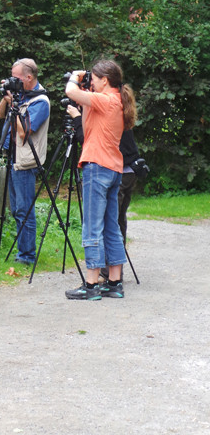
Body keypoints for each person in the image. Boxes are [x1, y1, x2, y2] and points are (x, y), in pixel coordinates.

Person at [64, 59, 137, 300]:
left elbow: (70, 91)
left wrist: (75, 77)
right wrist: (85, 92)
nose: (90, 81)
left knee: (92, 226)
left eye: (94, 78)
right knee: (111, 227)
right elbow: (87, 126)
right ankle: (114, 282)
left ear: (104, 80)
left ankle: (92, 284)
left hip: (97, 167)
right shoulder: (114, 100)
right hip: (114, 168)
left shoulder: (105, 100)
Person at [67, 105, 140, 279]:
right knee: (116, 222)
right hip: (127, 170)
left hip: (111, 169)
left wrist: (78, 118)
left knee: (102, 224)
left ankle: (105, 274)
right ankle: (114, 275)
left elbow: (89, 141)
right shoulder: (120, 105)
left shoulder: (105, 109)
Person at [0, 58, 50, 265]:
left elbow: (23, 132)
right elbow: (1, 115)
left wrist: (16, 105)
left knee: (24, 208)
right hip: (12, 157)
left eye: (16, 78)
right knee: (16, 209)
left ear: (29, 77)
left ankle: (27, 256)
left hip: (26, 162)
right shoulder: (21, 95)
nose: (13, 80)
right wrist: (7, 98)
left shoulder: (40, 102)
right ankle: (22, 251)